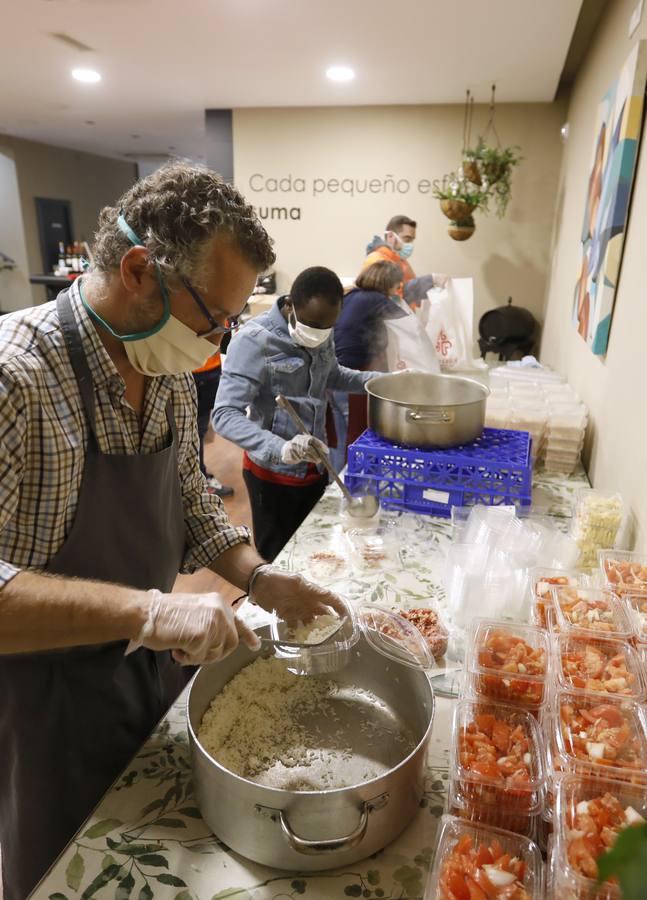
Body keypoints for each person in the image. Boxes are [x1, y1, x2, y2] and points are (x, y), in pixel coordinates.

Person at [0, 162, 346, 900]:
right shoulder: (16, 376)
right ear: (136, 270)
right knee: (67, 870)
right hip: (36, 704)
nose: (221, 338)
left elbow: (191, 503)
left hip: (144, 666)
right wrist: (151, 610)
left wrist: (258, 575)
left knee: (151, 858)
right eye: (213, 317)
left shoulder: (163, 369)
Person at [213, 266, 379, 562]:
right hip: (273, 476)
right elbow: (225, 414)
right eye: (312, 324)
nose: (317, 333)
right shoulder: (255, 340)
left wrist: (377, 382)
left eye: (327, 326)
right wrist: (283, 448)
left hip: (315, 467)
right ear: (290, 304)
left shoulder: (319, 329)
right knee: (277, 560)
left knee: (312, 553)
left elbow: (333, 376)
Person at [329, 260, 406, 470]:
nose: (395, 290)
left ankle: (335, 484)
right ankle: (349, 483)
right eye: (396, 285)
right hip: (350, 375)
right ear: (388, 282)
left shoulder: (352, 295)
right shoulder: (376, 299)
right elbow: (408, 324)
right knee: (353, 435)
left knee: (338, 435)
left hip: (332, 373)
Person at [363, 214, 448, 304]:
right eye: (407, 239)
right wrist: (430, 280)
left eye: (412, 240)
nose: (410, 244)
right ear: (391, 236)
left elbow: (410, 291)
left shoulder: (399, 261)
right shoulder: (376, 261)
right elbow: (393, 295)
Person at [193, 352, 234, 497]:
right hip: (197, 370)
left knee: (198, 432)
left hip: (206, 369)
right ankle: (199, 482)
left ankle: (199, 477)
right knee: (195, 433)